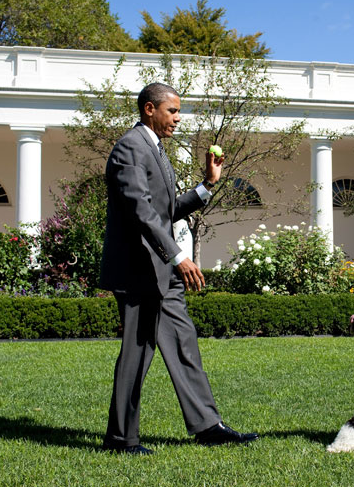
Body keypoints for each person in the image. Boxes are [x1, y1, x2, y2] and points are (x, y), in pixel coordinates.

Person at [99, 82, 258, 455]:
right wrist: (178, 255)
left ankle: (208, 426)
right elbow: (141, 210)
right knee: (137, 353)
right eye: (172, 111)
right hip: (138, 270)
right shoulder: (130, 149)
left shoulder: (155, 150)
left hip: (162, 273)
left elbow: (166, 209)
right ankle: (121, 440)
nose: (177, 118)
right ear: (149, 109)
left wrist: (207, 185)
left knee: (184, 344)